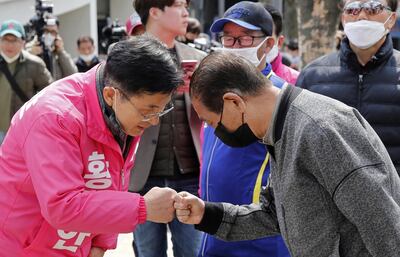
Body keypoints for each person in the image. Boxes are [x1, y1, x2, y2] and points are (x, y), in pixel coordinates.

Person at [174, 51, 400, 257]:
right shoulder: (281, 128)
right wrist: (207, 214)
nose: (216, 131)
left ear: (234, 102)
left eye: (213, 122)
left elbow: (384, 225)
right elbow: (277, 213)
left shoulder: (320, 129)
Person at [0, 36, 184, 257]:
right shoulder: (54, 116)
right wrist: (142, 208)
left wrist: (101, 243)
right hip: (22, 248)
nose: (154, 120)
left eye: (161, 110)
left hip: (70, 245)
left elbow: (115, 179)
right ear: (110, 95)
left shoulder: (121, 111)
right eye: (149, 111)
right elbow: (62, 205)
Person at [198, 2, 292, 256]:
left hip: (259, 238)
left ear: (269, 44)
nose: (235, 47)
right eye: (228, 39)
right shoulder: (213, 92)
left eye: (245, 39)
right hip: (212, 231)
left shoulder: (281, 97)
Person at [130, 0, 205, 256]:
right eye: (179, 6)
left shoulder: (196, 58)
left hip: (190, 173)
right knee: (148, 252)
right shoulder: (128, 57)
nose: (186, 13)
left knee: (193, 251)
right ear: (154, 11)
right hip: (143, 176)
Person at [296, 0, 400, 173]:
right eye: (352, 9)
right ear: (343, 18)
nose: (361, 16)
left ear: (391, 19)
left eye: (373, 8)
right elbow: (299, 146)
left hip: (392, 195)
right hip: (330, 196)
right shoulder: (313, 77)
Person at [0, 19, 52, 145]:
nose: (9, 45)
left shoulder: (35, 64)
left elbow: (51, 96)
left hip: (22, 131)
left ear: (23, 42)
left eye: (15, 40)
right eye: (5, 40)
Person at [264, 4, 299, 84]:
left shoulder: (297, 82)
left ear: (279, 42)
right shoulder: (230, 81)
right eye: (246, 38)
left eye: (264, 37)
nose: (256, 43)